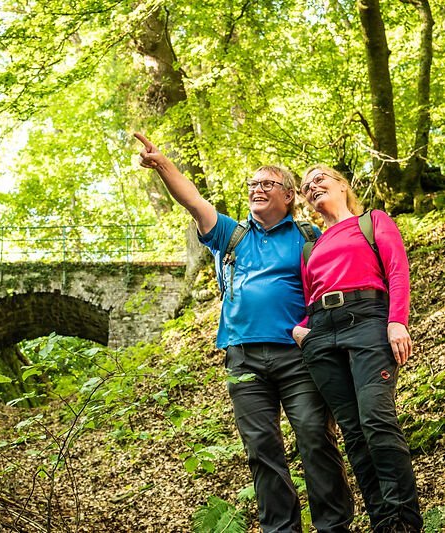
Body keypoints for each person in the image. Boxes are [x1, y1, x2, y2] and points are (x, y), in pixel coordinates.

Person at [135, 133, 353, 532]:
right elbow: (193, 200)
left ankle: (334, 526)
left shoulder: (309, 237)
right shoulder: (230, 233)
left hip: (299, 355)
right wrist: (164, 165)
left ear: (288, 195)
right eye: (252, 184)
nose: (256, 189)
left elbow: (341, 274)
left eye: (267, 183)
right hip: (243, 357)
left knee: (314, 438)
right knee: (262, 449)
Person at [292, 164, 422, 533]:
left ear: (342, 186)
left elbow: (396, 269)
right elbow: (308, 297)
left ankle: (404, 523)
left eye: (320, 179)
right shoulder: (310, 246)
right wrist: (302, 331)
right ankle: (384, 523)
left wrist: (397, 320)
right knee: (352, 431)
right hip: (321, 335)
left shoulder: (373, 221)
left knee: (376, 419)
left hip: (368, 321)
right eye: (305, 186)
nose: (312, 186)